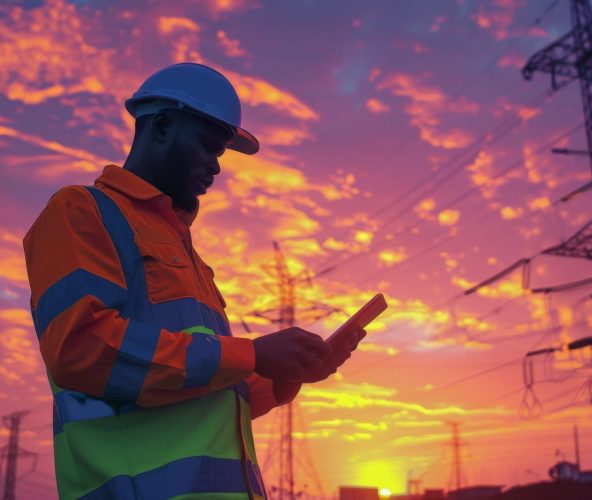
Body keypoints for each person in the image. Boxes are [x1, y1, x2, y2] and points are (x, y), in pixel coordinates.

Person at [23, 62, 365, 500]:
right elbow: (79, 350)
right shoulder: (81, 211)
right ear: (162, 127)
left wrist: (284, 376)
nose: (216, 167)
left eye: (220, 153)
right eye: (208, 146)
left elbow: (206, 393)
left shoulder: (187, 252)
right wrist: (252, 354)